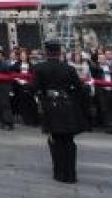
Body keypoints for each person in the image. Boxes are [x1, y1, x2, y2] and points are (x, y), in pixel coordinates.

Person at [33, 40, 87, 184]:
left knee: (55, 140)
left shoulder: (40, 68)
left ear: (46, 52)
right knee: (69, 141)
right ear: (59, 52)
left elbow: (35, 88)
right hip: (67, 105)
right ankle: (71, 174)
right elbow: (79, 89)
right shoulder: (69, 68)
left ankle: (59, 172)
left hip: (51, 106)